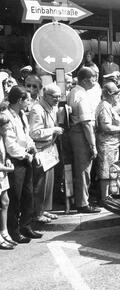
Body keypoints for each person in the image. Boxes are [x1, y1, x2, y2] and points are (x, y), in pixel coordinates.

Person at [1, 86, 42, 243]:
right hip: (16, 161)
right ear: (19, 100)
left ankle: (26, 226)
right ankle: (13, 231)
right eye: (27, 100)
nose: (29, 103)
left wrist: (33, 151)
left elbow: (27, 136)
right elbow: (10, 145)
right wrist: (25, 155)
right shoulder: (6, 117)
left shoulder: (21, 115)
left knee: (28, 195)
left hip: (26, 158)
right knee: (15, 198)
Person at [67, 67, 101, 214]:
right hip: (82, 134)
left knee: (81, 169)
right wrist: (93, 146)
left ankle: (81, 199)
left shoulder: (74, 91)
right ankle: (82, 203)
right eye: (93, 78)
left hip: (76, 133)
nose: (95, 80)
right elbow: (87, 123)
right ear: (86, 80)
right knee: (84, 170)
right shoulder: (81, 94)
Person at [29, 83, 64, 223]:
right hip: (40, 150)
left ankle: (42, 210)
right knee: (39, 184)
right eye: (55, 97)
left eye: (59, 97)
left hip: (48, 149)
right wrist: (53, 130)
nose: (57, 100)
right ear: (46, 95)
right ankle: (36, 213)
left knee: (46, 185)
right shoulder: (37, 110)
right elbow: (34, 133)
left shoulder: (51, 107)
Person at [95, 82, 120, 201]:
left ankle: (110, 196)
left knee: (112, 171)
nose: (117, 96)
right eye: (115, 93)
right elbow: (106, 127)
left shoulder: (108, 105)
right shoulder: (104, 106)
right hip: (107, 144)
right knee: (105, 171)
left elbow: (113, 121)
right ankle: (105, 198)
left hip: (113, 144)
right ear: (109, 95)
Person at [0, 113, 17, 249]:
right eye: (5, 128)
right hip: (2, 172)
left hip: (2, 175)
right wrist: (8, 169)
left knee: (5, 202)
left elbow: (4, 155)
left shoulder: (1, 138)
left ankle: (4, 232)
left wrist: (8, 160)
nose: (7, 130)